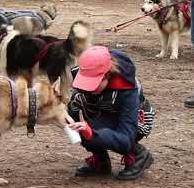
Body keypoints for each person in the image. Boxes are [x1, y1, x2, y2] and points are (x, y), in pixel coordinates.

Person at [66, 46, 155, 180]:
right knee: (76, 121)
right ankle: (101, 160)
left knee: (93, 127)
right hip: (104, 112)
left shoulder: (127, 90)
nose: (90, 87)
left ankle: (137, 154)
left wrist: (92, 133)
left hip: (135, 123)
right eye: (87, 81)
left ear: (108, 74)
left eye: (95, 82)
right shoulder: (85, 73)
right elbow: (73, 107)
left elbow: (125, 138)